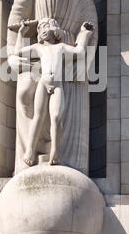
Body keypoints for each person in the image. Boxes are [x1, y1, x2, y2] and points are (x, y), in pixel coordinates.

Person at [7, 0, 98, 174]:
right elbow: (16, 21)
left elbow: (90, 24)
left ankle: (61, 160)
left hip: (65, 60)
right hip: (37, 56)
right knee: (26, 94)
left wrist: (82, 36)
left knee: (59, 115)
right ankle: (29, 160)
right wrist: (13, 56)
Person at [13, 18, 95, 166]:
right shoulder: (38, 47)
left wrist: (84, 34)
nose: (42, 30)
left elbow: (80, 51)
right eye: (40, 29)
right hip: (43, 84)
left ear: (55, 29)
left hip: (57, 86)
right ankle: (30, 150)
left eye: (46, 27)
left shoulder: (61, 47)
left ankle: (55, 151)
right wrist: (21, 33)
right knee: (38, 117)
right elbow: (18, 52)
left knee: (56, 118)